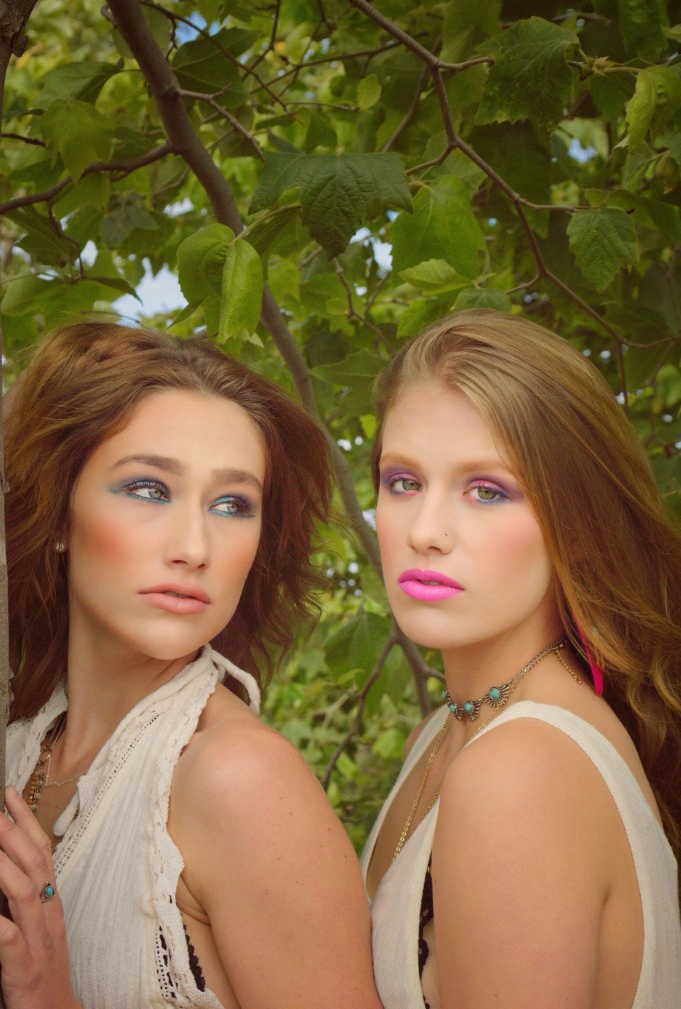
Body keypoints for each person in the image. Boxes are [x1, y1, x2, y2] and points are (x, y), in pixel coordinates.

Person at [0, 321, 383, 1009]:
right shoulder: (23, 741)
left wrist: (47, 996)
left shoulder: (239, 781)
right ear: (58, 515)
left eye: (232, 504)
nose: (194, 546)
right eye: (149, 489)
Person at [361, 310, 681, 1009]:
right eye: (402, 481)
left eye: (487, 491)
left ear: (579, 523)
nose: (424, 532)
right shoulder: (447, 733)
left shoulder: (519, 770)